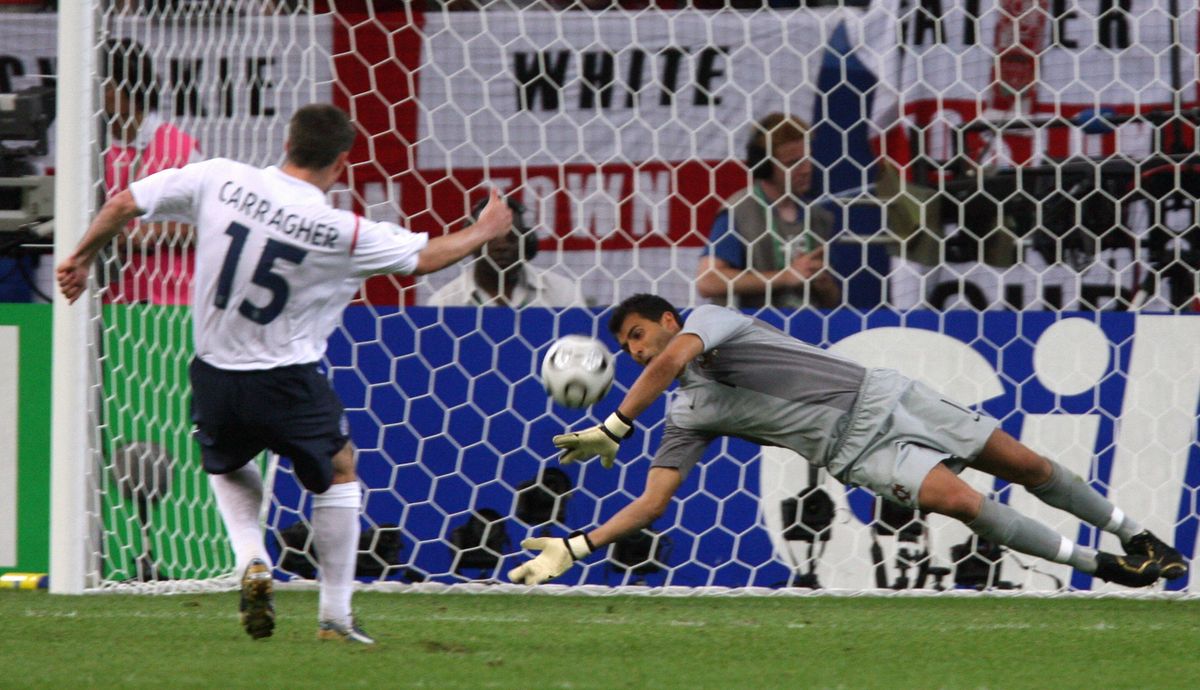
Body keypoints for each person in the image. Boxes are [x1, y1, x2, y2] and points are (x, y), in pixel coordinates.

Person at [58, 104, 514, 643]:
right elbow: (429, 257)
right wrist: (484, 229)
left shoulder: (219, 178)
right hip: (287, 377)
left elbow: (124, 202)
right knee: (340, 469)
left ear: (287, 141)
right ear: (342, 161)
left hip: (214, 372)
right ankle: (336, 618)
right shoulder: (339, 230)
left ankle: (252, 558)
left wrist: (82, 257)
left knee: (227, 465)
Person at [507, 294, 1188, 589]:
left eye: (633, 336)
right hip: (856, 453)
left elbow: (663, 364)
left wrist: (615, 424)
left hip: (887, 397)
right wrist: (576, 545)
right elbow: (654, 504)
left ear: (666, 320)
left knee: (1025, 462)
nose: (631, 352)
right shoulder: (685, 414)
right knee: (959, 501)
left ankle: (1134, 534)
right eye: (623, 347)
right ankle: (1101, 567)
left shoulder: (708, 323)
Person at [695, 113, 840, 310]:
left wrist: (825, 286)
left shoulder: (818, 216)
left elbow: (832, 304)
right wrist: (785, 277)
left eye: (807, 160)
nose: (806, 169)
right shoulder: (740, 211)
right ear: (764, 167)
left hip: (806, 329)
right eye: (793, 163)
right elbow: (708, 281)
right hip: (754, 330)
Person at [102, 38, 203, 305]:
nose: (101, 93)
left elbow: (206, 225)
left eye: (108, 86)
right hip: (107, 298)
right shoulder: (87, 150)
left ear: (132, 86)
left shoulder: (180, 147)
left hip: (172, 299)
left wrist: (152, 235)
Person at [427, 195, 584, 307]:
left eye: (511, 237)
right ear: (470, 243)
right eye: (491, 238)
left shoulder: (562, 291)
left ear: (527, 241)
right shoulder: (445, 302)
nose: (501, 246)